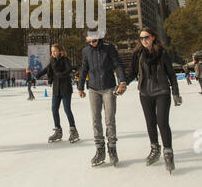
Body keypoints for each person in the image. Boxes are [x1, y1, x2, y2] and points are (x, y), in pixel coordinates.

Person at [126, 27, 182, 174]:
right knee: (150, 122)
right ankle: (155, 149)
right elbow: (132, 72)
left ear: (153, 37)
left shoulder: (162, 53)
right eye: (141, 38)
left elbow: (171, 74)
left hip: (162, 92)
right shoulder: (138, 54)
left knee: (162, 122)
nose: (144, 40)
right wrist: (123, 83)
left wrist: (175, 93)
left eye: (146, 37)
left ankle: (168, 152)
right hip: (145, 93)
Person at [78, 33, 126, 167]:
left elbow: (117, 64)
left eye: (94, 40)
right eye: (89, 40)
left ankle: (112, 149)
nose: (91, 43)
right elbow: (84, 68)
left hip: (108, 87)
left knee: (109, 119)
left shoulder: (108, 48)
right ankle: (100, 150)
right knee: (95, 119)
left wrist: (122, 81)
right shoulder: (86, 51)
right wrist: (80, 87)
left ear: (98, 38)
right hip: (93, 88)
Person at [36, 43, 79, 144]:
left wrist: (61, 74)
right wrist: (37, 75)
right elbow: (47, 69)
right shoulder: (52, 61)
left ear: (60, 51)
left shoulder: (65, 60)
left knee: (67, 109)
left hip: (66, 88)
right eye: (52, 51)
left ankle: (73, 131)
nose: (53, 53)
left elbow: (69, 69)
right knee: (54, 109)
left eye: (55, 51)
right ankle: (58, 130)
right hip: (56, 88)